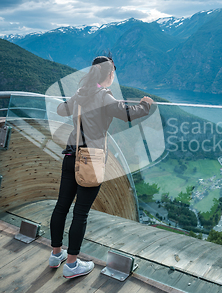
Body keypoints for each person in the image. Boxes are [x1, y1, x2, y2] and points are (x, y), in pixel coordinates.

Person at [48, 55, 153, 278]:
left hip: (70, 155)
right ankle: (72, 265)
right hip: (90, 160)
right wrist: (146, 105)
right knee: (80, 213)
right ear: (109, 74)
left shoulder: (81, 93)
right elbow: (127, 114)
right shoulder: (103, 95)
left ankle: (56, 254)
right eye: (113, 72)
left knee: (61, 207)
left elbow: (61, 111)